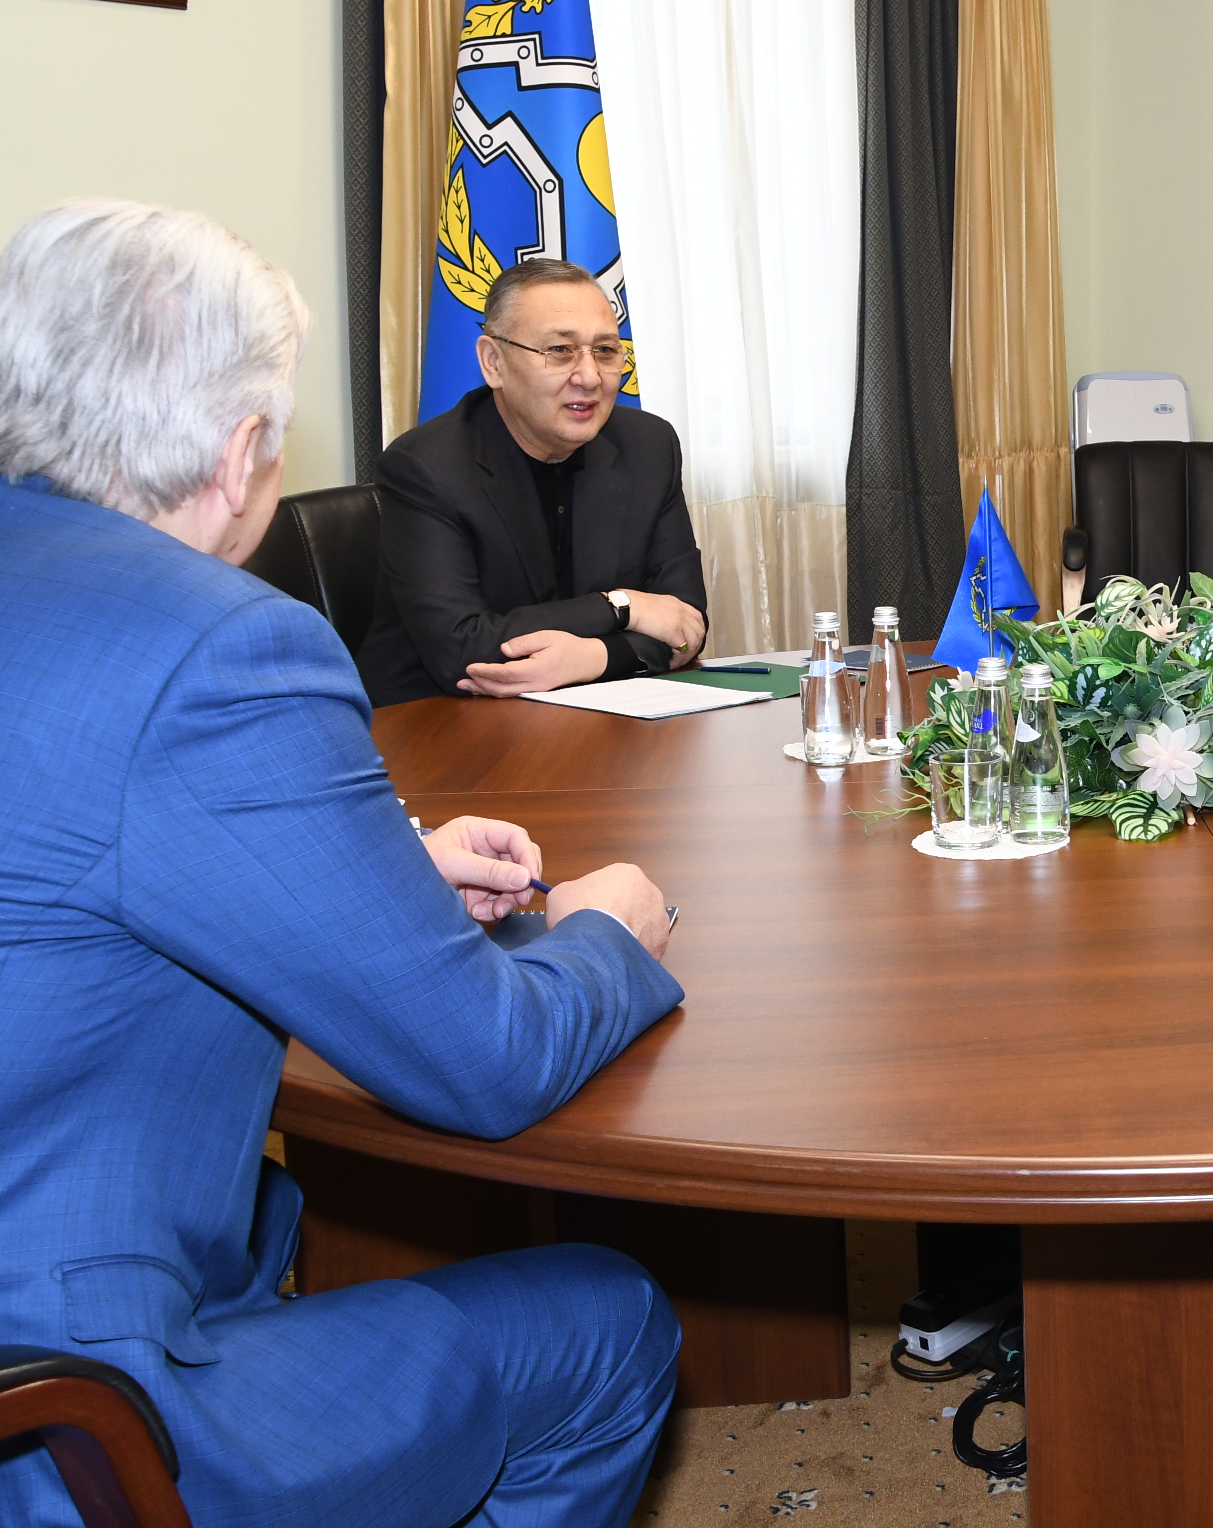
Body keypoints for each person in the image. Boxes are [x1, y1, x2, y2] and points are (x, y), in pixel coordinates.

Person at [0, 200, 690, 1528]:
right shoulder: (220, 647)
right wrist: (606, 926)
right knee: (602, 1322)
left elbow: (66, 834)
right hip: (67, 1412)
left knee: (280, 1213)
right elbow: (482, 1065)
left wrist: (382, 863)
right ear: (243, 455)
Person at [358, 256, 708, 707]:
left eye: (605, 350)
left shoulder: (648, 446)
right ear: (493, 363)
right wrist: (622, 606)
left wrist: (592, 658)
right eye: (560, 350)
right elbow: (462, 650)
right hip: (440, 723)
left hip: (596, 718)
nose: (589, 377)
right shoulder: (426, 467)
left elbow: (685, 624)